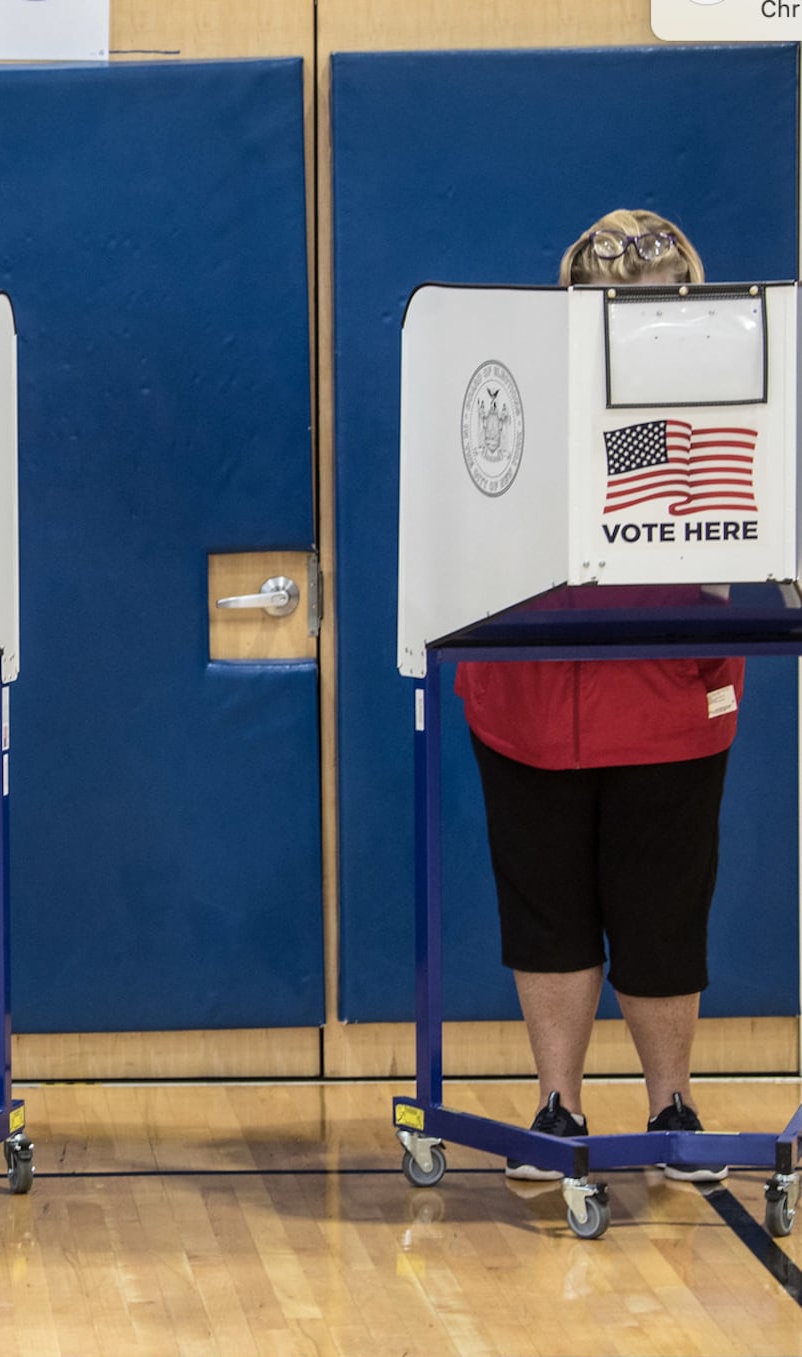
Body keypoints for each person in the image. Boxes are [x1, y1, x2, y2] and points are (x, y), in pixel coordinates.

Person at [458, 209, 735, 1183]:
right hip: (526, 700)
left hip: (667, 695)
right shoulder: (510, 396)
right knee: (547, 916)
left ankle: (671, 1103)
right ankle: (556, 1106)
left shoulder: (724, 402)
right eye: (609, 299)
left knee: (662, 915)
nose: (629, 315)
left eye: (652, 299)